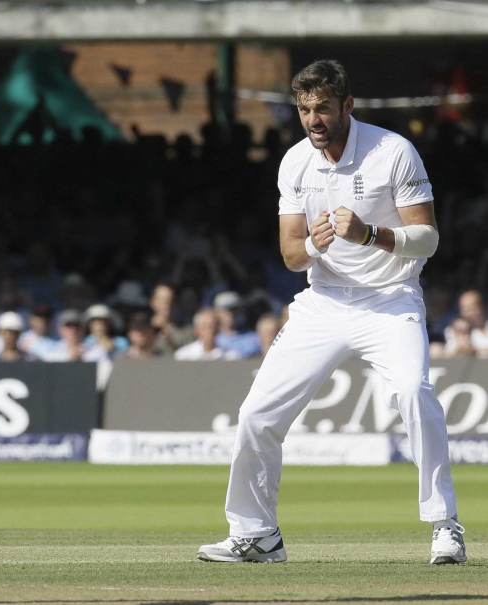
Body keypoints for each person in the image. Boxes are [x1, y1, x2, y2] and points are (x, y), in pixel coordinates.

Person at [198, 60, 464, 565]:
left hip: (390, 299)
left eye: (322, 107)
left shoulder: (392, 151)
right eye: (304, 109)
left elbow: (427, 239)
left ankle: (445, 525)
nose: (313, 119)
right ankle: (257, 535)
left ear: (347, 105)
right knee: (256, 413)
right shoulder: (296, 162)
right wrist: (316, 247)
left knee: (412, 392)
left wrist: (370, 235)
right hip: (324, 302)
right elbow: (291, 255)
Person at [213, 291, 261, 359]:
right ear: (217, 312)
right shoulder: (212, 338)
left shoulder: (254, 339)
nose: (230, 314)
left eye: (234, 309)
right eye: (225, 310)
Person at [149, 283, 192, 356]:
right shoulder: (144, 328)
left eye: (171, 300)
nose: (167, 305)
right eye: (163, 301)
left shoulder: (186, 329)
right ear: (153, 302)